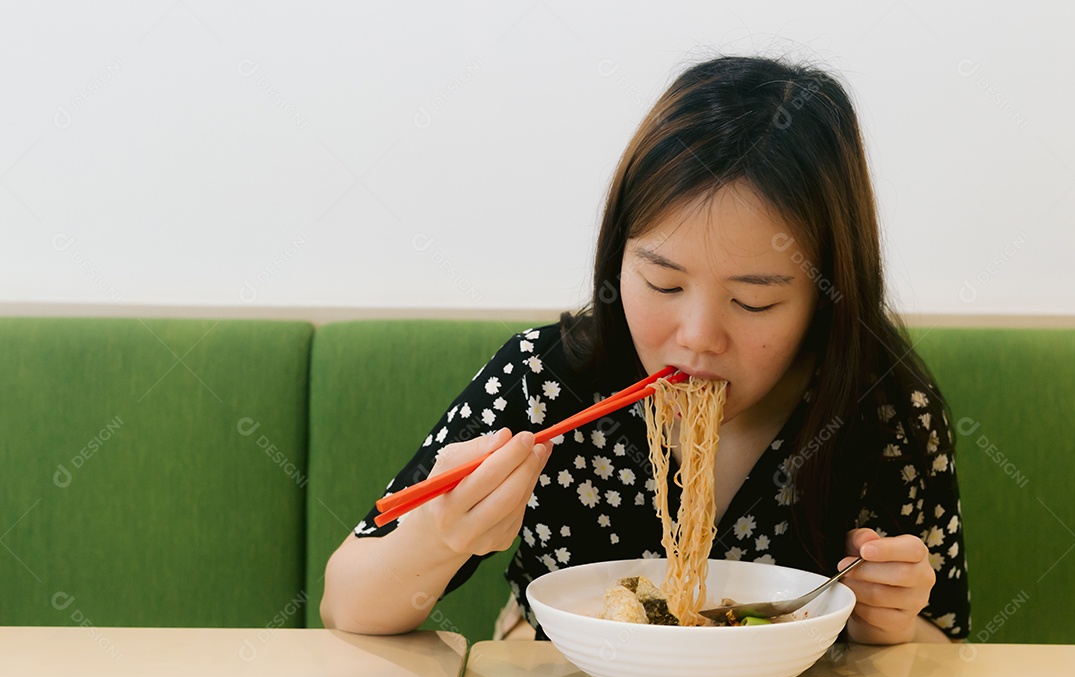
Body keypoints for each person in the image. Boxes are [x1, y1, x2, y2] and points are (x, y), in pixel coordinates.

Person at [321, 55, 971, 645]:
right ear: (618, 257)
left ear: (827, 295)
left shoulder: (883, 408)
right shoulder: (545, 382)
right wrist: (437, 536)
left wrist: (891, 624)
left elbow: (946, 647)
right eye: (663, 283)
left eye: (753, 301)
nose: (698, 336)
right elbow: (343, 607)